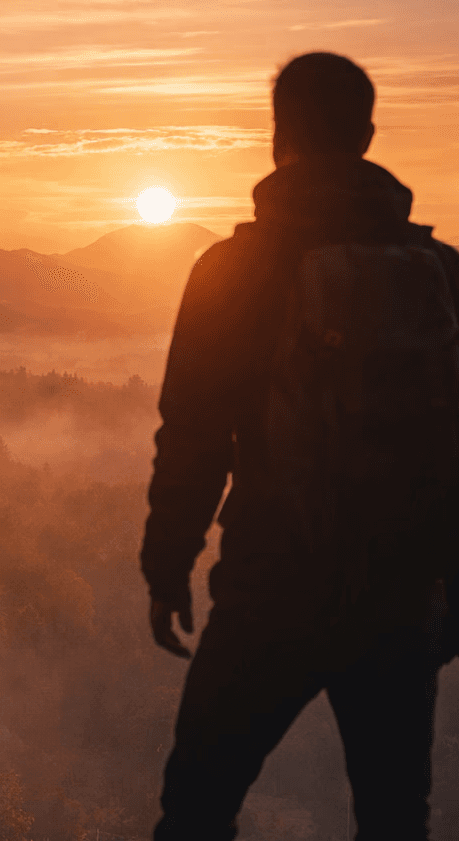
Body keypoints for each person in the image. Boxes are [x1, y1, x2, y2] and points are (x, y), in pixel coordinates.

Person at [140, 52, 459, 840]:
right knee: (394, 820)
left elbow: (193, 434)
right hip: (400, 596)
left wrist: (166, 566)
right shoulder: (445, 274)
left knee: (197, 806)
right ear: (368, 134)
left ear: (278, 135)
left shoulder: (234, 270)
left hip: (270, 586)